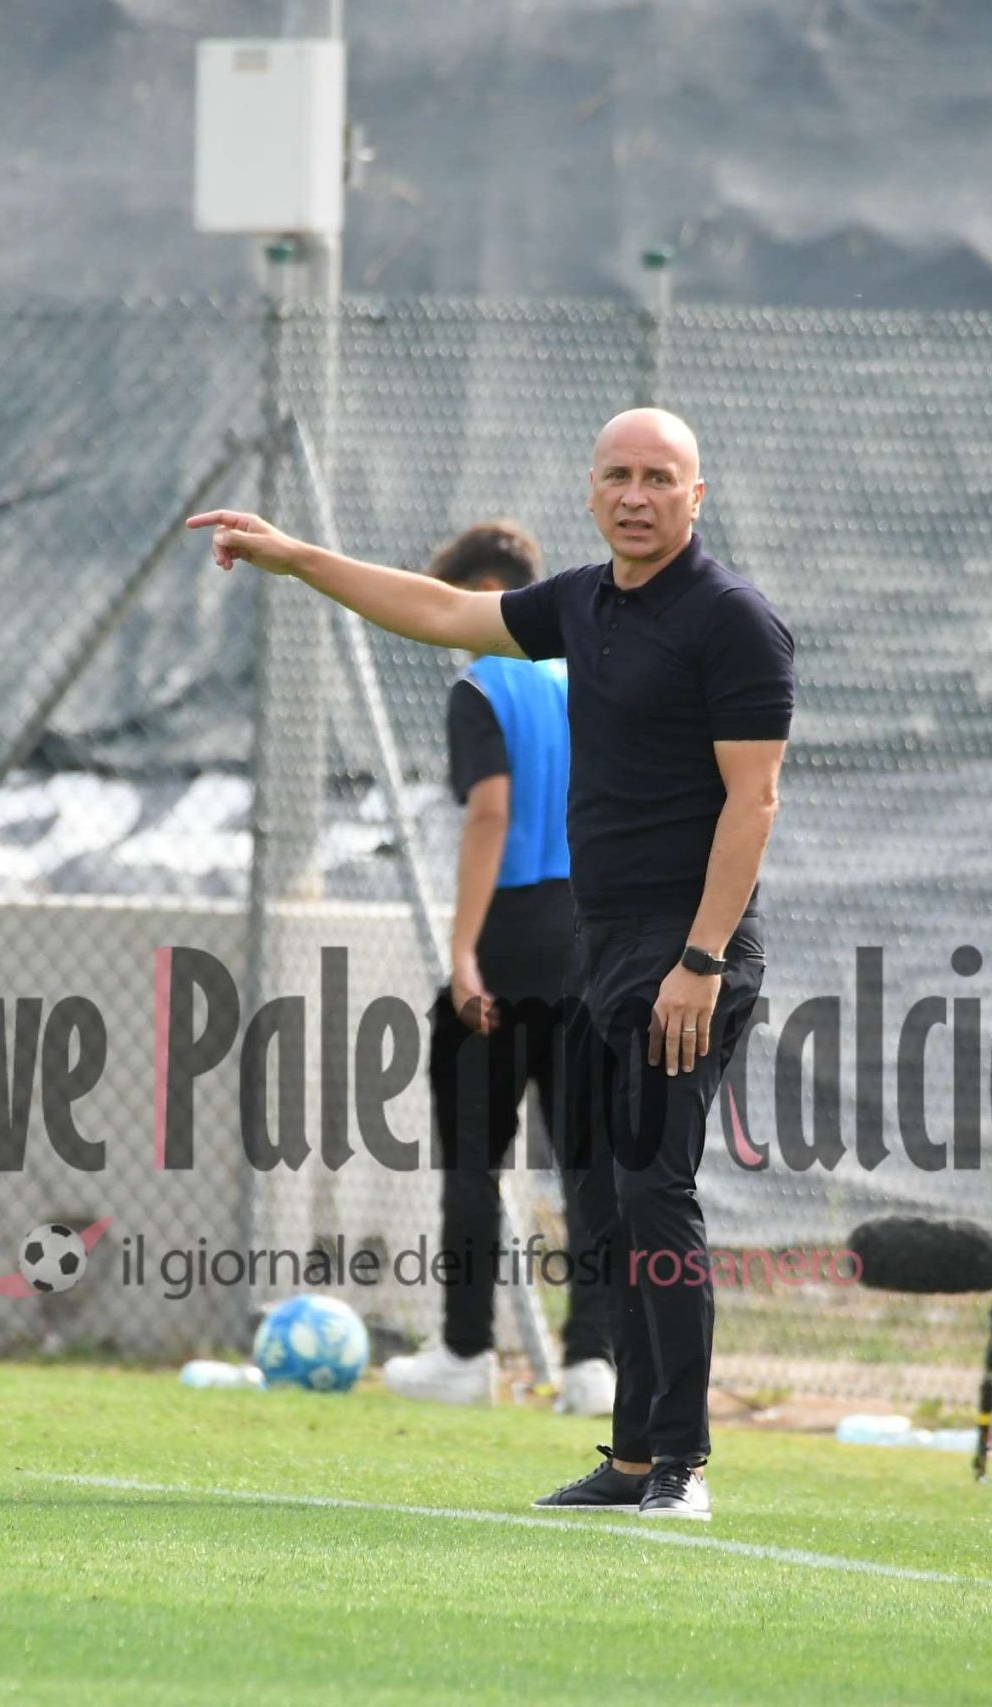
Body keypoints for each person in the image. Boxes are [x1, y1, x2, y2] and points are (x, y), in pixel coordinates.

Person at [191, 407, 791, 1521]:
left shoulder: (732, 621)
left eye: (660, 478)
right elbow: (439, 608)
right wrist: (295, 557)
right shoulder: (582, 603)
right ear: (589, 487)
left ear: (696, 497)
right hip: (602, 953)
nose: (635, 494)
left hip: (688, 954)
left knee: (653, 1189)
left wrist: (702, 959)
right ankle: (625, 1459)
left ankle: (681, 1464)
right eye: (616, 473)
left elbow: (753, 800)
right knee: (609, 1195)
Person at [380, 520, 616, 1416]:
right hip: (590, 931)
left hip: (512, 928)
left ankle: (467, 1352)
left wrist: (464, 948)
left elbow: (491, 811)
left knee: (474, 1154)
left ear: (475, 597)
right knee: (590, 1156)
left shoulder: (479, 681)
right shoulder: (577, 676)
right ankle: (594, 1362)